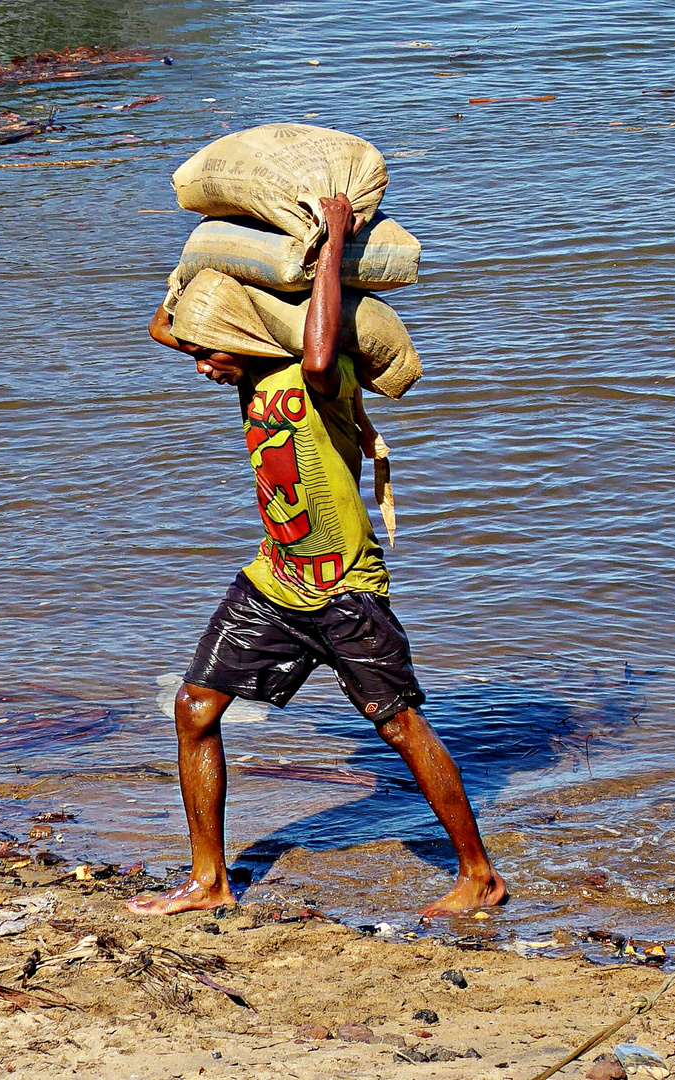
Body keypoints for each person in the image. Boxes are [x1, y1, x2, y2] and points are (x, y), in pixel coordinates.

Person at [128, 194, 507, 919]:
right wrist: (192, 268)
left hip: (344, 592)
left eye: (209, 353)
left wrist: (332, 239)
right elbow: (162, 330)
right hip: (273, 581)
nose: (202, 367)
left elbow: (319, 342)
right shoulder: (243, 376)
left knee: (396, 725)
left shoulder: (315, 381)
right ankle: (208, 880)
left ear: (241, 338)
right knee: (194, 708)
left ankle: (478, 874)